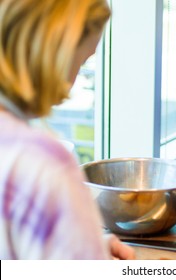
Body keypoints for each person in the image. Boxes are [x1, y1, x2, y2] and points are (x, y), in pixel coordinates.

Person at [0, 0, 135, 259]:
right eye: (82, 60)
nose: (71, 84)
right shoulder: (44, 163)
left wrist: (83, 244)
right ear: (54, 51)